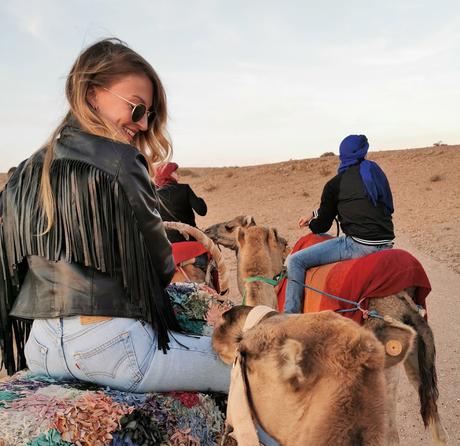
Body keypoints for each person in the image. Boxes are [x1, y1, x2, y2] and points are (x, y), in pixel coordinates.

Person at [0, 38, 230, 393]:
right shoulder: (121, 160)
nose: (142, 124)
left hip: (41, 347)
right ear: (92, 94)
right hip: (110, 348)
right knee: (253, 369)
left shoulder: (27, 171)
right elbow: (162, 267)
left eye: (148, 115)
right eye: (137, 109)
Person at [284, 134, 395, 314]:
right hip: (387, 243)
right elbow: (381, 206)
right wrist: (314, 213)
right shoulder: (375, 173)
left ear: (342, 155)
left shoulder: (335, 184)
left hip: (358, 246)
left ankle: (288, 318)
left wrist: (312, 224)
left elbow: (322, 226)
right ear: (363, 152)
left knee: (296, 261)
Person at [154, 162, 208, 243]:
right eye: (175, 172)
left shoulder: (155, 194)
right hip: (190, 237)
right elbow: (202, 211)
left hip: (167, 242)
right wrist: (200, 199)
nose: (178, 174)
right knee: (209, 252)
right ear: (167, 174)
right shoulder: (184, 188)